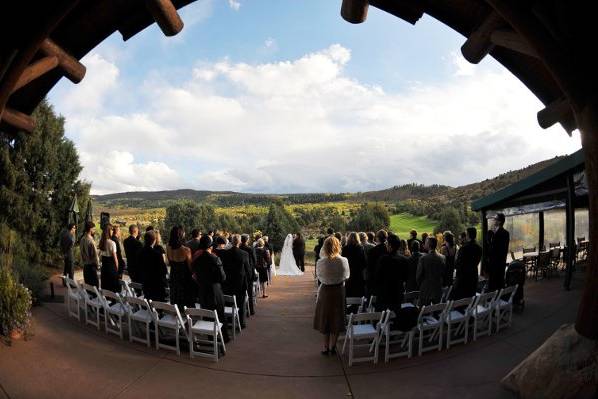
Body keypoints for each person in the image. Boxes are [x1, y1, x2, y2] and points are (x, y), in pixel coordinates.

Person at [313, 236, 350, 355]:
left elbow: (319, 276)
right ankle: (333, 346)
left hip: (325, 291)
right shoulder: (343, 260)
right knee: (337, 318)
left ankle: (325, 347)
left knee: (326, 318)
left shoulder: (321, 262)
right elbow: (347, 276)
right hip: (339, 290)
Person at [191, 235, 229, 343]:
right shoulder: (215, 258)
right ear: (210, 246)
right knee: (220, 315)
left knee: (207, 315)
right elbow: (223, 277)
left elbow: (195, 274)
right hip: (215, 290)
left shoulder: (197, 259)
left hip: (203, 290)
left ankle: (211, 338)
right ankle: (224, 338)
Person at [375, 234, 409, 313]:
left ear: (390, 246)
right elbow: (405, 277)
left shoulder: (383, 259)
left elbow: (377, 277)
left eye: (387, 244)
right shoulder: (404, 260)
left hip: (384, 295)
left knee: (382, 319)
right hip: (397, 293)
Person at [222, 234, 250, 328]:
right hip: (240, 282)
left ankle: (230, 321)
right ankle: (241, 323)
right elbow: (248, 269)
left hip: (228, 281)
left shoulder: (225, 253)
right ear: (239, 242)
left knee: (230, 302)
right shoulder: (244, 254)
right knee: (241, 303)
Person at [167, 226, 195, 311]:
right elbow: (190, 268)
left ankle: (177, 320)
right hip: (184, 279)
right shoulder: (186, 250)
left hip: (174, 276)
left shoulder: (168, 246)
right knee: (186, 304)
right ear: (181, 235)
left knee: (176, 301)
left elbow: (169, 261)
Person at [452, 227, 483, 300]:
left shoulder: (464, 248)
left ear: (468, 235)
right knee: (470, 301)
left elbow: (457, 265)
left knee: (460, 301)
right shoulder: (479, 248)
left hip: (463, 279)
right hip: (473, 277)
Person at [138, 230, 168, 301]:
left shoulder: (140, 252)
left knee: (148, 302)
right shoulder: (157, 255)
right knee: (158, 306)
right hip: (156, 285)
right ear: (154, 240)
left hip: (145, 283)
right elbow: (164, 270)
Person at [416, 237, 445, 305]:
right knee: (436, 310)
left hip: (426, 289)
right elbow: (443, 273)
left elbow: (418, 276)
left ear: (429, 245)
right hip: (437, 288)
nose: (424, 244)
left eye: (426, 243)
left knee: (423, 311)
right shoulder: (442, 257)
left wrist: (421, 285)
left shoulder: (423, 258)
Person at [487, 213, 510, 291]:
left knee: (495, 285)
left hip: (497, 264)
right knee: (496, 284)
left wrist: (490, 239)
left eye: (495, 219)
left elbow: (496, 249)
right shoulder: (504, 233)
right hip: (498, 263)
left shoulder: (500, 233)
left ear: (499, 222)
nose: (493, 220)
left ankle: (494, 300)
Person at [341, 232, 366, 297]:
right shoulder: (360, 248)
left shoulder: (345, 248)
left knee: (349, 291)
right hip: (358, 273)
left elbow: (343, 261)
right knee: (358, 292)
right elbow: (364, 262)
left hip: (348, 272)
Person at [366, 230, 388, 295]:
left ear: (377, 238)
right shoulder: (388, 250)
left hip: (375, 279)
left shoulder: (372, 251)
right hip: (386, 279)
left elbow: (369, 267)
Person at [98, 224, 120, 293]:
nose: (113, 231)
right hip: (111, 268)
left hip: (104, 268)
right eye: (112, 230)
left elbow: (100, 257)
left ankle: (106, 303)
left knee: (106, 288)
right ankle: (113, 303)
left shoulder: (101, 242)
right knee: (113, 289)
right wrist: (117, 270)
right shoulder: (112, 243)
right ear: (109, 231)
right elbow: (115, 259)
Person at [240, 234, 257, 315]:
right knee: (249, 292)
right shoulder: (250, 249)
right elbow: (254, 261)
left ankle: (243, 309)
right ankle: (251, 310)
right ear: (247, 240)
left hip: (240, 272)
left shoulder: (239, 248)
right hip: (248, 272)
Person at [80, 221, 99, 287]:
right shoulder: (90, 240)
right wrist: (97, 265)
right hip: (91, 267)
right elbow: (95, 255)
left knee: (88, 287)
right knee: (95, 288)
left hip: (85, 266)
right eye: (94, 229)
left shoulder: (82, 239)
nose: (94, 230)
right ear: (90, 229)